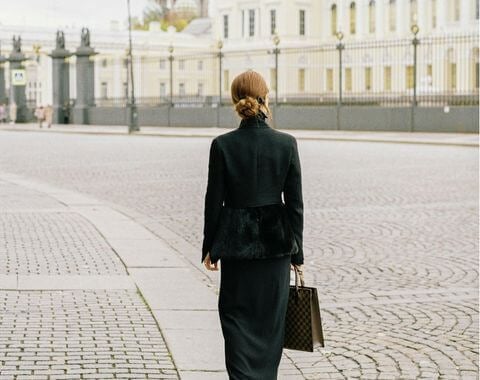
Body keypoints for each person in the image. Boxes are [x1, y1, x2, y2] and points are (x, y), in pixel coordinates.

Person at [201, 70, 304, 380]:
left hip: (236, 248)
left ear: (235, 100)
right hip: (276, 250)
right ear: (266, 98)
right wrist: (297, 255)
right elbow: (295, 205)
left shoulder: (223, 145)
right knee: (269, 326)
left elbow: (213, 201)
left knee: (235, 320)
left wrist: (210, 248)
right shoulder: (286, 143)